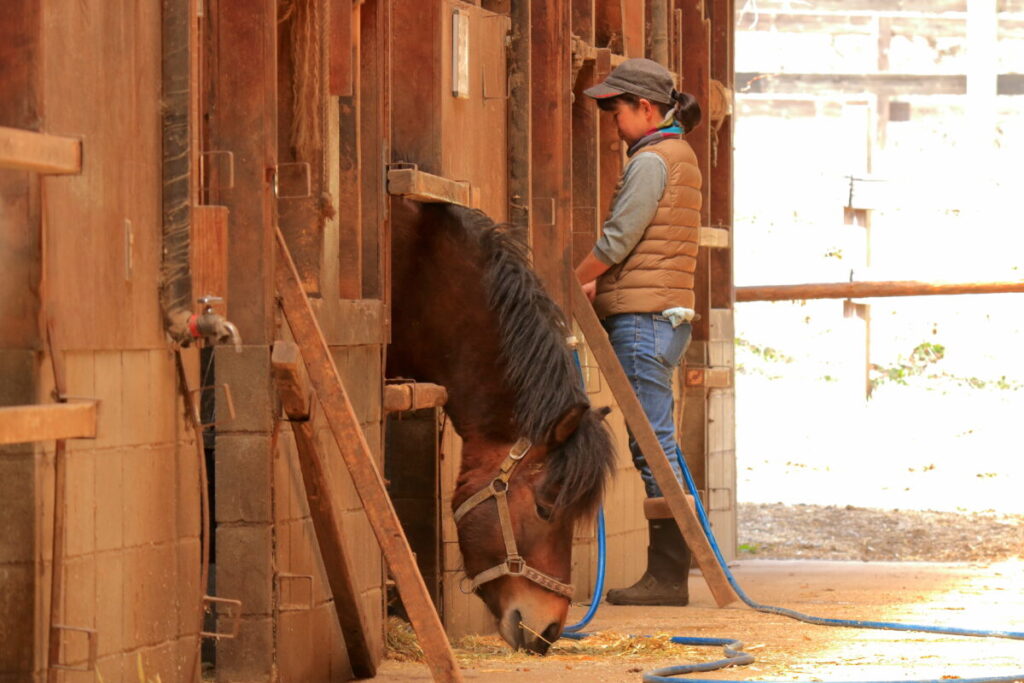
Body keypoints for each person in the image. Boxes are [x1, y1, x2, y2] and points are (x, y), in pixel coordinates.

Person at [575, 58, 702, 606]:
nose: (614, 125)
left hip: (643, 319)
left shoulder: (651, 161)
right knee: (658, 443)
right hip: (661, 316)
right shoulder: (677, 155)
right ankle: (671, 571)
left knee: (652, 447)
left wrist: (576, 278)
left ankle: (669, 577)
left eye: (617, 112)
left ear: (646, 108)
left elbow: (619, 236)